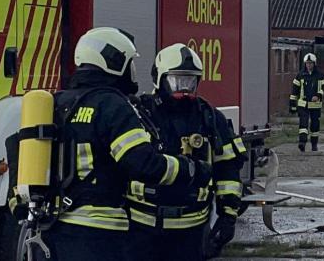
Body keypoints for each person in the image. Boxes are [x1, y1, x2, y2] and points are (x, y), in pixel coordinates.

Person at [35, 28, 209, 261]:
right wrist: (190, 169)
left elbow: (20, 154)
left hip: (55, 230)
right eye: (129, 63)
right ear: (114, 62)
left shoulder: (57, 102)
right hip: (100, 235)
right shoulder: (113, 105)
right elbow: (143, 164)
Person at [128, 43, 248, 261]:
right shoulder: (138, 114)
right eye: (177, 81)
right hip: (141, 227)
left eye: (190, 82)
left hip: (192, 231)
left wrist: (227, 216)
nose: (184, 90)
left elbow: (228, 168)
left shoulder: (209, 117)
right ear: (159, 78)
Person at [290, 53, 324, 152]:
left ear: (314, 63)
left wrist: (318, 95)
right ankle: (302, 143)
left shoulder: (320, 75)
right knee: (303, 124)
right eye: (307, 63)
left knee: (315, 125)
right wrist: (292, 105)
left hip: (315, 105)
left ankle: (314, 144)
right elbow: (294, 90)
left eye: (311, 63)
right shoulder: (300, 75)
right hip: (303, 104)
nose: (309, 65)